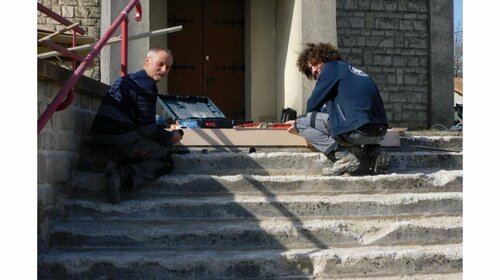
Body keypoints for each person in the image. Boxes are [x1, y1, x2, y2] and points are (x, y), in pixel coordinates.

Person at [89, 47, 183, 204]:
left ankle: (117, 163)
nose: (164, 70)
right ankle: (122, 175)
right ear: (147, 61)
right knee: (165, 160)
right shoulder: (146, 86)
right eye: (160, 64)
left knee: (148, 145)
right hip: (120, 141)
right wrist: (171, 136)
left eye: (168, 67)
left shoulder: (128, 79)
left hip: (99, 141)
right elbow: (148, 129)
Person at [287, 43, 389, 176]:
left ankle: (343, 157)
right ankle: (375, 152)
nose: (313, 70)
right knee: (349, 121)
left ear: (324, 58)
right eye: (310, 69)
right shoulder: (351, 71)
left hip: (357, 132)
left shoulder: (331, 69)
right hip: (379, 133)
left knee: (302, 121)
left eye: (314, 64)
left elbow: (312, 106)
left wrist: (298, 126)